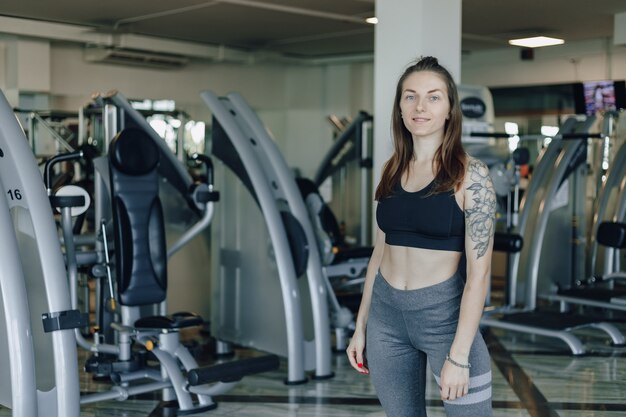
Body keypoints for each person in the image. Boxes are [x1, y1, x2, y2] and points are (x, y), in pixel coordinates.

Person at [346, 56, 495, 417]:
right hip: (386, 318)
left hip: (445, 317)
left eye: (433, 97)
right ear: (399, 108)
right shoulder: (391, 169)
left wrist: (459, 357)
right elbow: (379, 254)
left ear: (449, 110)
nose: (420, 106)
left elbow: (479, 276)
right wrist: (361, 325)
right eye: (410, 96)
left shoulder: (471, 176)